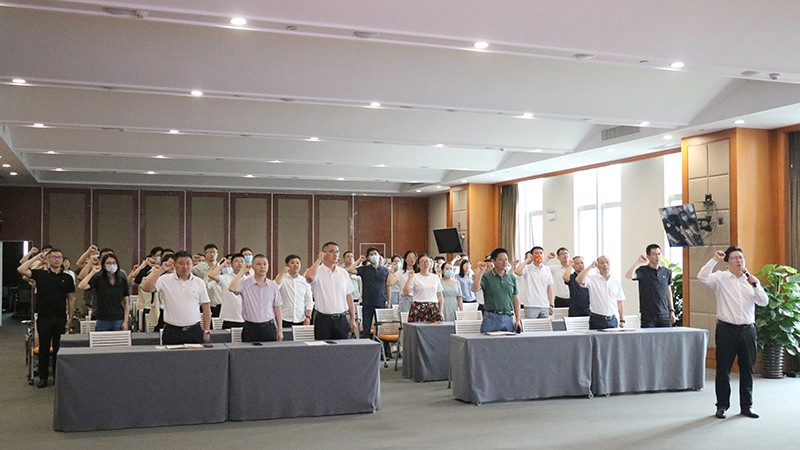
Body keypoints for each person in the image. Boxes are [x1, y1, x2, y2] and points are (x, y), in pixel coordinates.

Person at [698, 246, 768, 419]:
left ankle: (747, 406)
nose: (739, 261)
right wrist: (714, 259)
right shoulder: (720, 278)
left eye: (741, 258)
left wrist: (756, 286)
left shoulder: (750, 280)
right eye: (735, 258)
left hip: (748, 330)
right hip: (726, 330)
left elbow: (764, 302)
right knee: (723, 369)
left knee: (747, 369)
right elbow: (702, 276)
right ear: (727, 263)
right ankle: (722, 405)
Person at [17, 248, 76, 388]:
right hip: (44, 317)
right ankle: (43, 378)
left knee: (58, 348)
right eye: (53, 257)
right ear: (48, 259)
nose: (57, 260)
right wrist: (37, 257)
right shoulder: (40, 274)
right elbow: (21, 269)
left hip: (60, 317)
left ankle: (57, 377)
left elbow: (71, 298)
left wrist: (70, 317)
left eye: (59, 257)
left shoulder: (67, 277)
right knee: (43, 348)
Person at [139, 251, 212, 345]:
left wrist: (206, 331)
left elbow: (206, 308)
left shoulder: (199, 282)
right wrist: (161, 270)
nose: (185, 267)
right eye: (181, 263)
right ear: (174, 264)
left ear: (192, 264)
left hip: (194, 330)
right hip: (172, 330)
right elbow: (146, 287)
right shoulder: (165, 279)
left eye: (188, 263)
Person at [305, 242, 357, 340]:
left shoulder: (343, 273)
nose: (335, 254)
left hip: (341, 318)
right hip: (323, 320)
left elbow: (348, 296)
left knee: (342, 347)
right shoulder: (317, 271)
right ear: (324, 253)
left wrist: (353, 318)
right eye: (332, 251)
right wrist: (319, 259)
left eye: (337, 252)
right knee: (323, 347)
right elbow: (309, 278)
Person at [228, 254, 283, 342]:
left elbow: (277, 308)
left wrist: (280, 329)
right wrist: (242, 271)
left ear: (268, 266)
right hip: (250, 328)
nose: (262, 267)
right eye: (258, 264)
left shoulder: (273, 285)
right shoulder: (244, 284)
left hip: (269, 327)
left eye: (264, 264)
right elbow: (232, 288)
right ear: (252, 266)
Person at [625, 244, 675, 327]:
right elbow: (629, 276)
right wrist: (638, 262)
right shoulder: (643, 270)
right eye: (654, 254)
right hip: (648, 315)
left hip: (664, 314)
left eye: (659, 254)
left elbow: (668, 291)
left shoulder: (666, 271)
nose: (657, 257)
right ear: (648, 256)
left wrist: (672, 310)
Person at [471, 248, 520, 333]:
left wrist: (518, 320)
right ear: (493, 261)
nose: (504, 262)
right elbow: (474, 288)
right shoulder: (487, 276)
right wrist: (481, 272)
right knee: (487, 340)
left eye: (506, 260)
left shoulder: (511, 277)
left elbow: (515, 299)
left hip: (508, 316)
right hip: (491, 317)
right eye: (501, 260)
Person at [78, 253, 130, 331]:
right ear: (104, 265)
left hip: (119, 318)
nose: (111, 265)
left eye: (114, 262)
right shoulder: (98, 278)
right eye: (108, 263)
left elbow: (126, 303)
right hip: (102, 319)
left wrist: (126, 321)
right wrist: (93, 272)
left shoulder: (122, 280)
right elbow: (81, 286)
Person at [348, 247, 390, 337]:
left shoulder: (385, 270)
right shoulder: (364, 269)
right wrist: (359, 260)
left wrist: (389, 301)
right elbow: (350, 270)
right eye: (371, 254)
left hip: (381, 302)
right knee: (366, 328)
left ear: (379, 256)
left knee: (381, 329)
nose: (374, 256)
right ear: (368, 258)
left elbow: (388, 286)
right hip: (367, 302)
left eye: (375, 254)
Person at [576, 256, 625, 330]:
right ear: (597, 265)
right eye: (602, 263)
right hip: (597, 319)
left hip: (612, 319)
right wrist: (590, 267)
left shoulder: (615, 281)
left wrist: (622, 320)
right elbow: (579, 280)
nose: (605, 265)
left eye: (607, 262)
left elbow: (620, 302)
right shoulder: (592, 279)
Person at [206, 253, 246, 329]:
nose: (240, 264)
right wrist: (222, 264)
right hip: (229, 318)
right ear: (231, 265)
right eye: (236, 262)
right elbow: (211, 275)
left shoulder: (249, 279)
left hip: (246, 319)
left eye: (242, 262)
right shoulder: (225, 278)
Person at [275, 254, 314, 329]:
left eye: (298, 263)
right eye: (292, 263)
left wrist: (308, 316)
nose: (295, 265)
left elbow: (309, 300)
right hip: (284, 318)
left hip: (301, 318)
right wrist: (283, 272)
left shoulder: (304, 281)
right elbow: (274, 288)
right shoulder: (281, 278)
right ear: (287, 265)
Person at [514, 246, 554, 318]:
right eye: (536, 253)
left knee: (545, 324)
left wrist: (551, 304)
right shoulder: (527, 268)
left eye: (541, 253)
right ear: (532, 255)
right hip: (531, 305)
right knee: (531, 324)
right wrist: (527, 260)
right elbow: (517, 271)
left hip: (544, 305)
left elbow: (549, 288)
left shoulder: (546, 269)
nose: (539, 255)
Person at [403, 254, 444, 323]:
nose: (425, 264)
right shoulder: (414, 276)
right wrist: (409, 278)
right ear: (418, 265)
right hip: (419, 307)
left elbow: (440, 295)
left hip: (433, 307)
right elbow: (406, 292)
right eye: (422, 262)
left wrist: (441, 311)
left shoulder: (435, 277)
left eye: (427, 261)